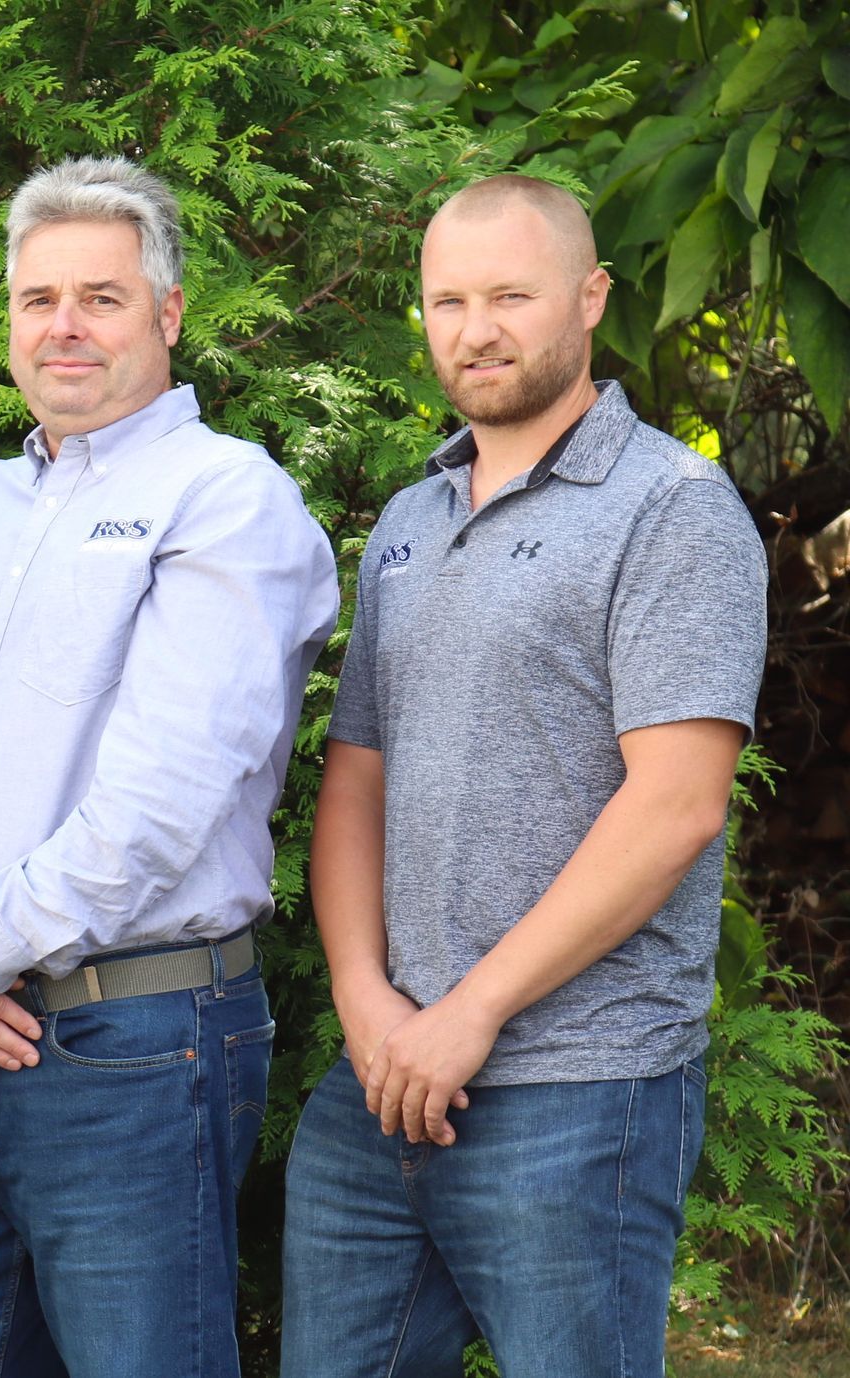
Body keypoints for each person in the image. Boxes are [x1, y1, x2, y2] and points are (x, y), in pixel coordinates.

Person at [0, 155, 339, 1378]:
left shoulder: (226, 501)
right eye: (37, 297)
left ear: (167, 316)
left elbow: (159, 806)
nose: (63, 325)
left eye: (102, 298)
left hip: (138, 1051)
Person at [279, 174, 768, 1376]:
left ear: (591, 298)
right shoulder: (409, 515)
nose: (477, 329)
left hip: (579, 1088)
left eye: (511, 294)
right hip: (383, 1075)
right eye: (448, 300)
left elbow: (676, 805)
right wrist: (366, 1000)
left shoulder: (675, 509)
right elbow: (358, 775)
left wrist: (473, 1013)